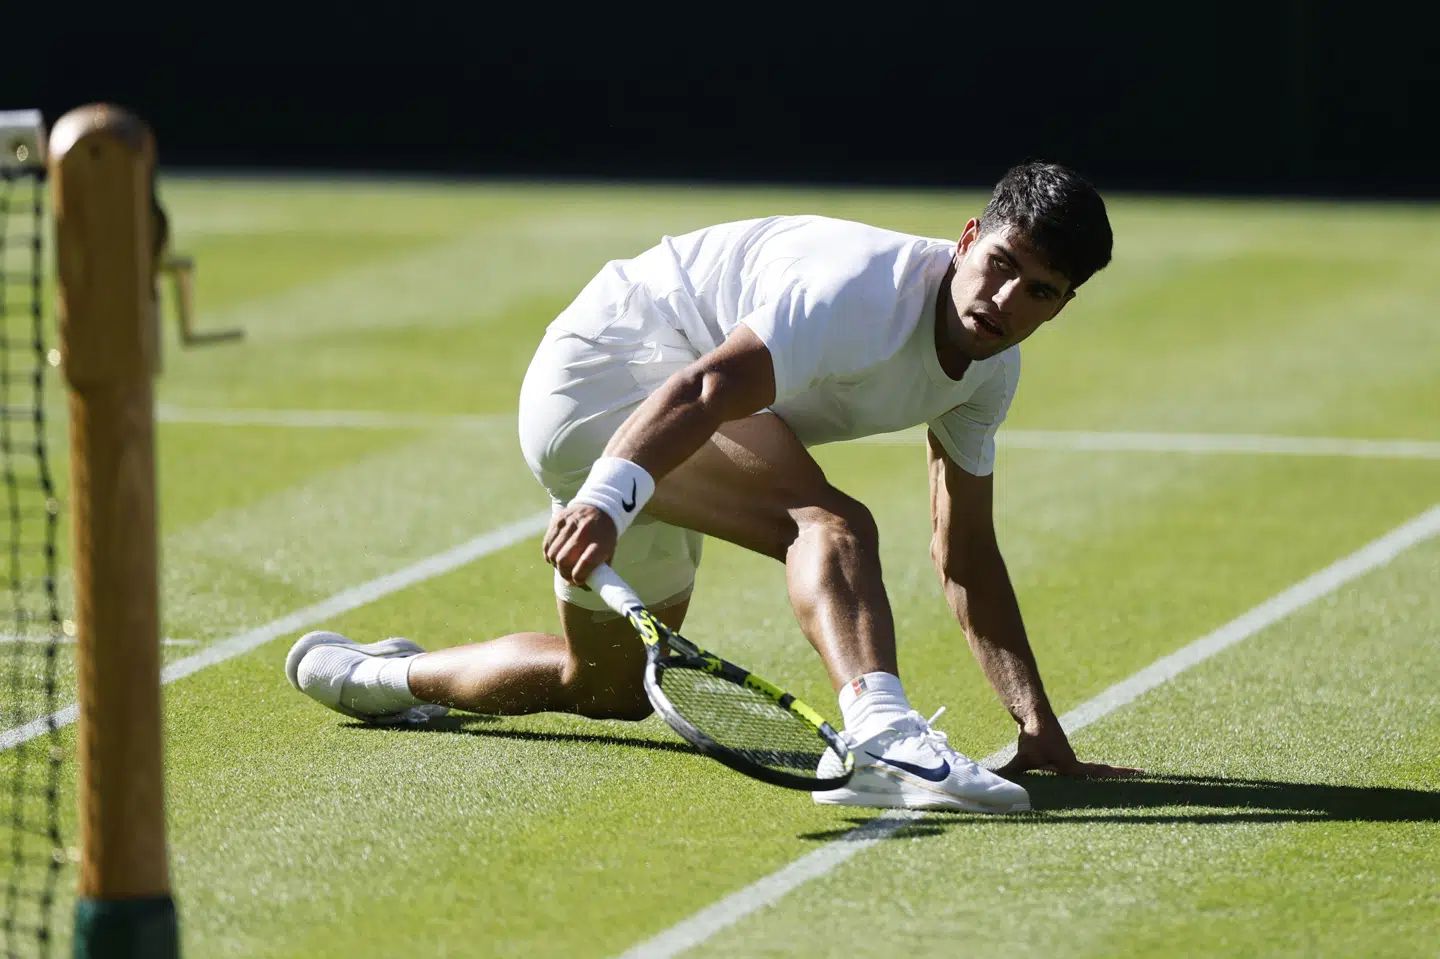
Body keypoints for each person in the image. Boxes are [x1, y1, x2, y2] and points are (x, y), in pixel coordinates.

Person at [286, 161, 1141, 812]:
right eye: (998, 263)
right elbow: (701, 390)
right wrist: (604, 498)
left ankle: (380, 679)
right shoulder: (856, 289)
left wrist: (1038, 732)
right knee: (829, 519)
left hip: (663, 425)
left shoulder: (988, 377)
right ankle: (883, 736)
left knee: (608, 689)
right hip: (604, 378)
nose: (1001, 298)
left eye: (1037, 291)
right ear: (965, 238)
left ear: (1059, 307)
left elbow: (965, 554)